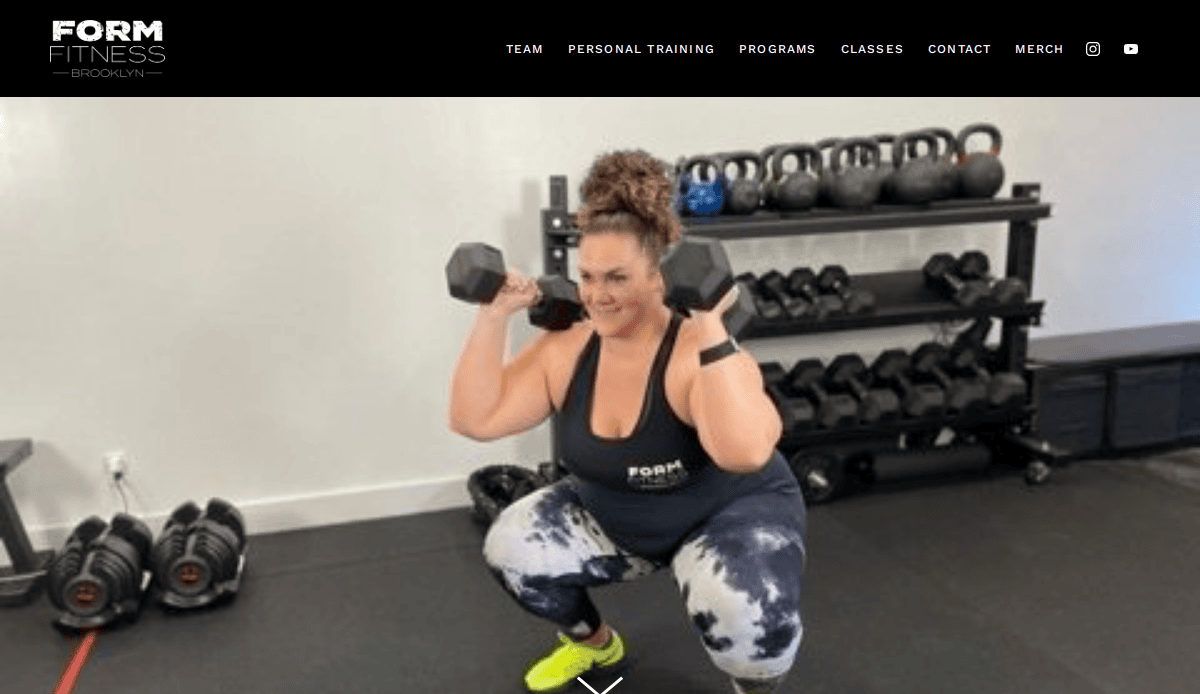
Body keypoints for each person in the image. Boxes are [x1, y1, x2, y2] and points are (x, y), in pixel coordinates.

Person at [449, 150, 807, 694]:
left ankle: (754, 689)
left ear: (662, 276)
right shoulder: (567, 349)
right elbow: (476, 418)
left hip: (723, 515)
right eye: (587, 276)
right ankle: (596, 647)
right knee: (512, 548)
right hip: (620, 518)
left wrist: (711, 325)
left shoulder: (696, 350)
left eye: (616, 277)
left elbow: (747, 453)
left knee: (748, 622)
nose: (595, 295)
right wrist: (493, 315)